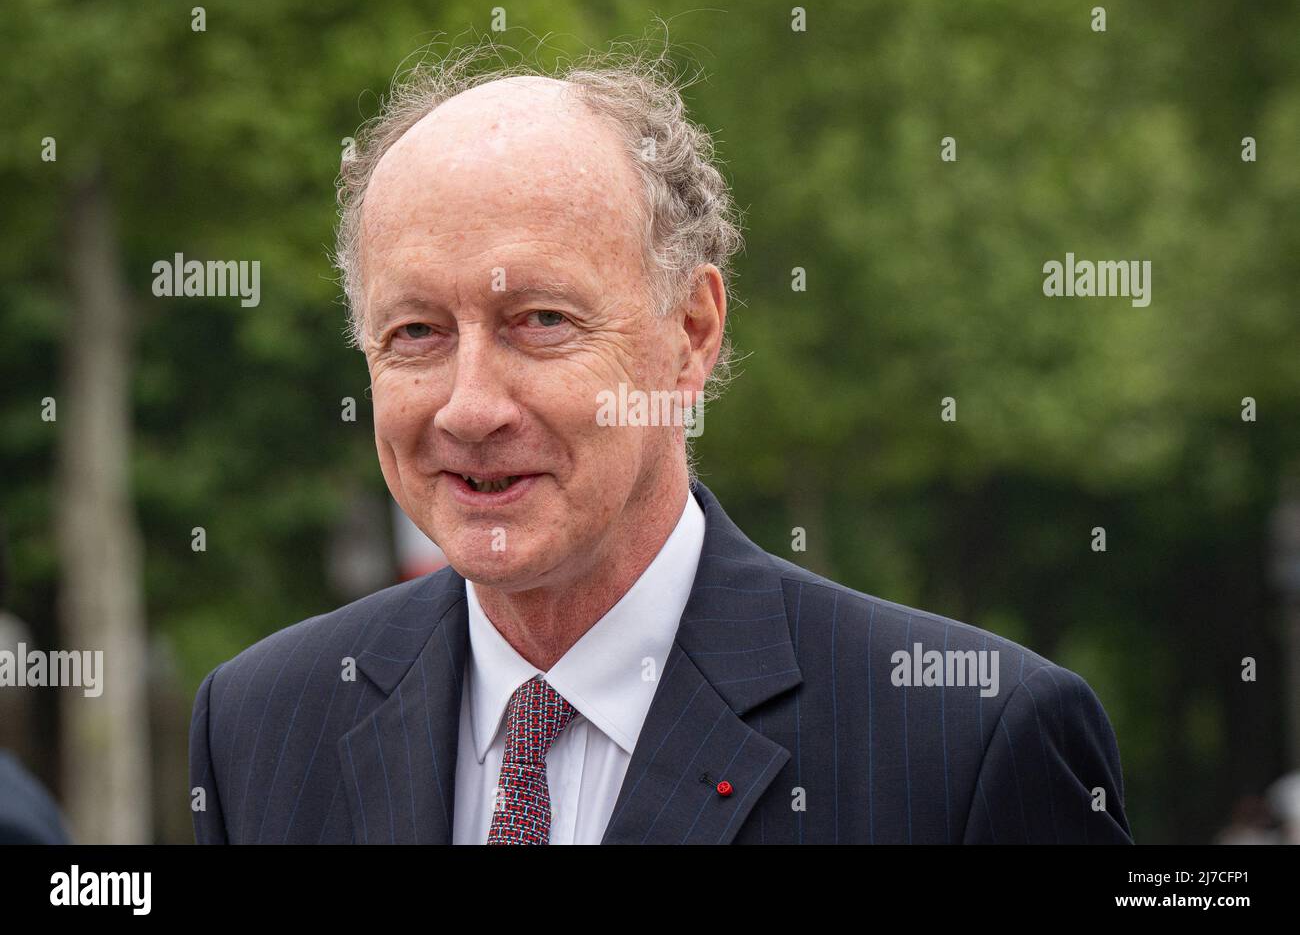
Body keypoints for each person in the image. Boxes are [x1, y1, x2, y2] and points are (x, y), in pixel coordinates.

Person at [189, 48, 1133, 844]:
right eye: (416, 334)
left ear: (692, 331)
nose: (469, 407)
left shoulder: (965, 742)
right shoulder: (262, 727)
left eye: (541, 320)